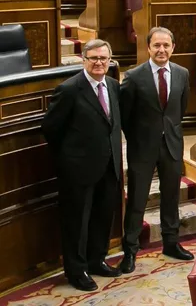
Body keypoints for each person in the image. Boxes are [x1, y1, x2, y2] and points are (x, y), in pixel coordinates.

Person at [42, 39, 122, 291]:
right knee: (76, 222)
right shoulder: (69, 90)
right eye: (94, 58)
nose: (99, 63)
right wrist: (69, 160)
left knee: (102, 217)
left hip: (109, 166)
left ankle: (96, 260)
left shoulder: (112, 85)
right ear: (83, 60)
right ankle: (76, 271)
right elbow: (50, 129)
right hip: (77, 171)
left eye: (104, 58)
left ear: (110, 60)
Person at [119, 27, 193, 274]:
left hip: (171, 144)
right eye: (156, 46)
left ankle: (171, 242)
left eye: (166, 45)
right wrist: (139, 139)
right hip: (142, 147)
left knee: (171, 196)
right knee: (137, 200)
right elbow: (125, 116)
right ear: (148, 48)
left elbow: (179, 110)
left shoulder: (182, 74)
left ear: (173, 47)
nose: (161, 50)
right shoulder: (133, 76)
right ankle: (130, 250)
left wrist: (167, 131)